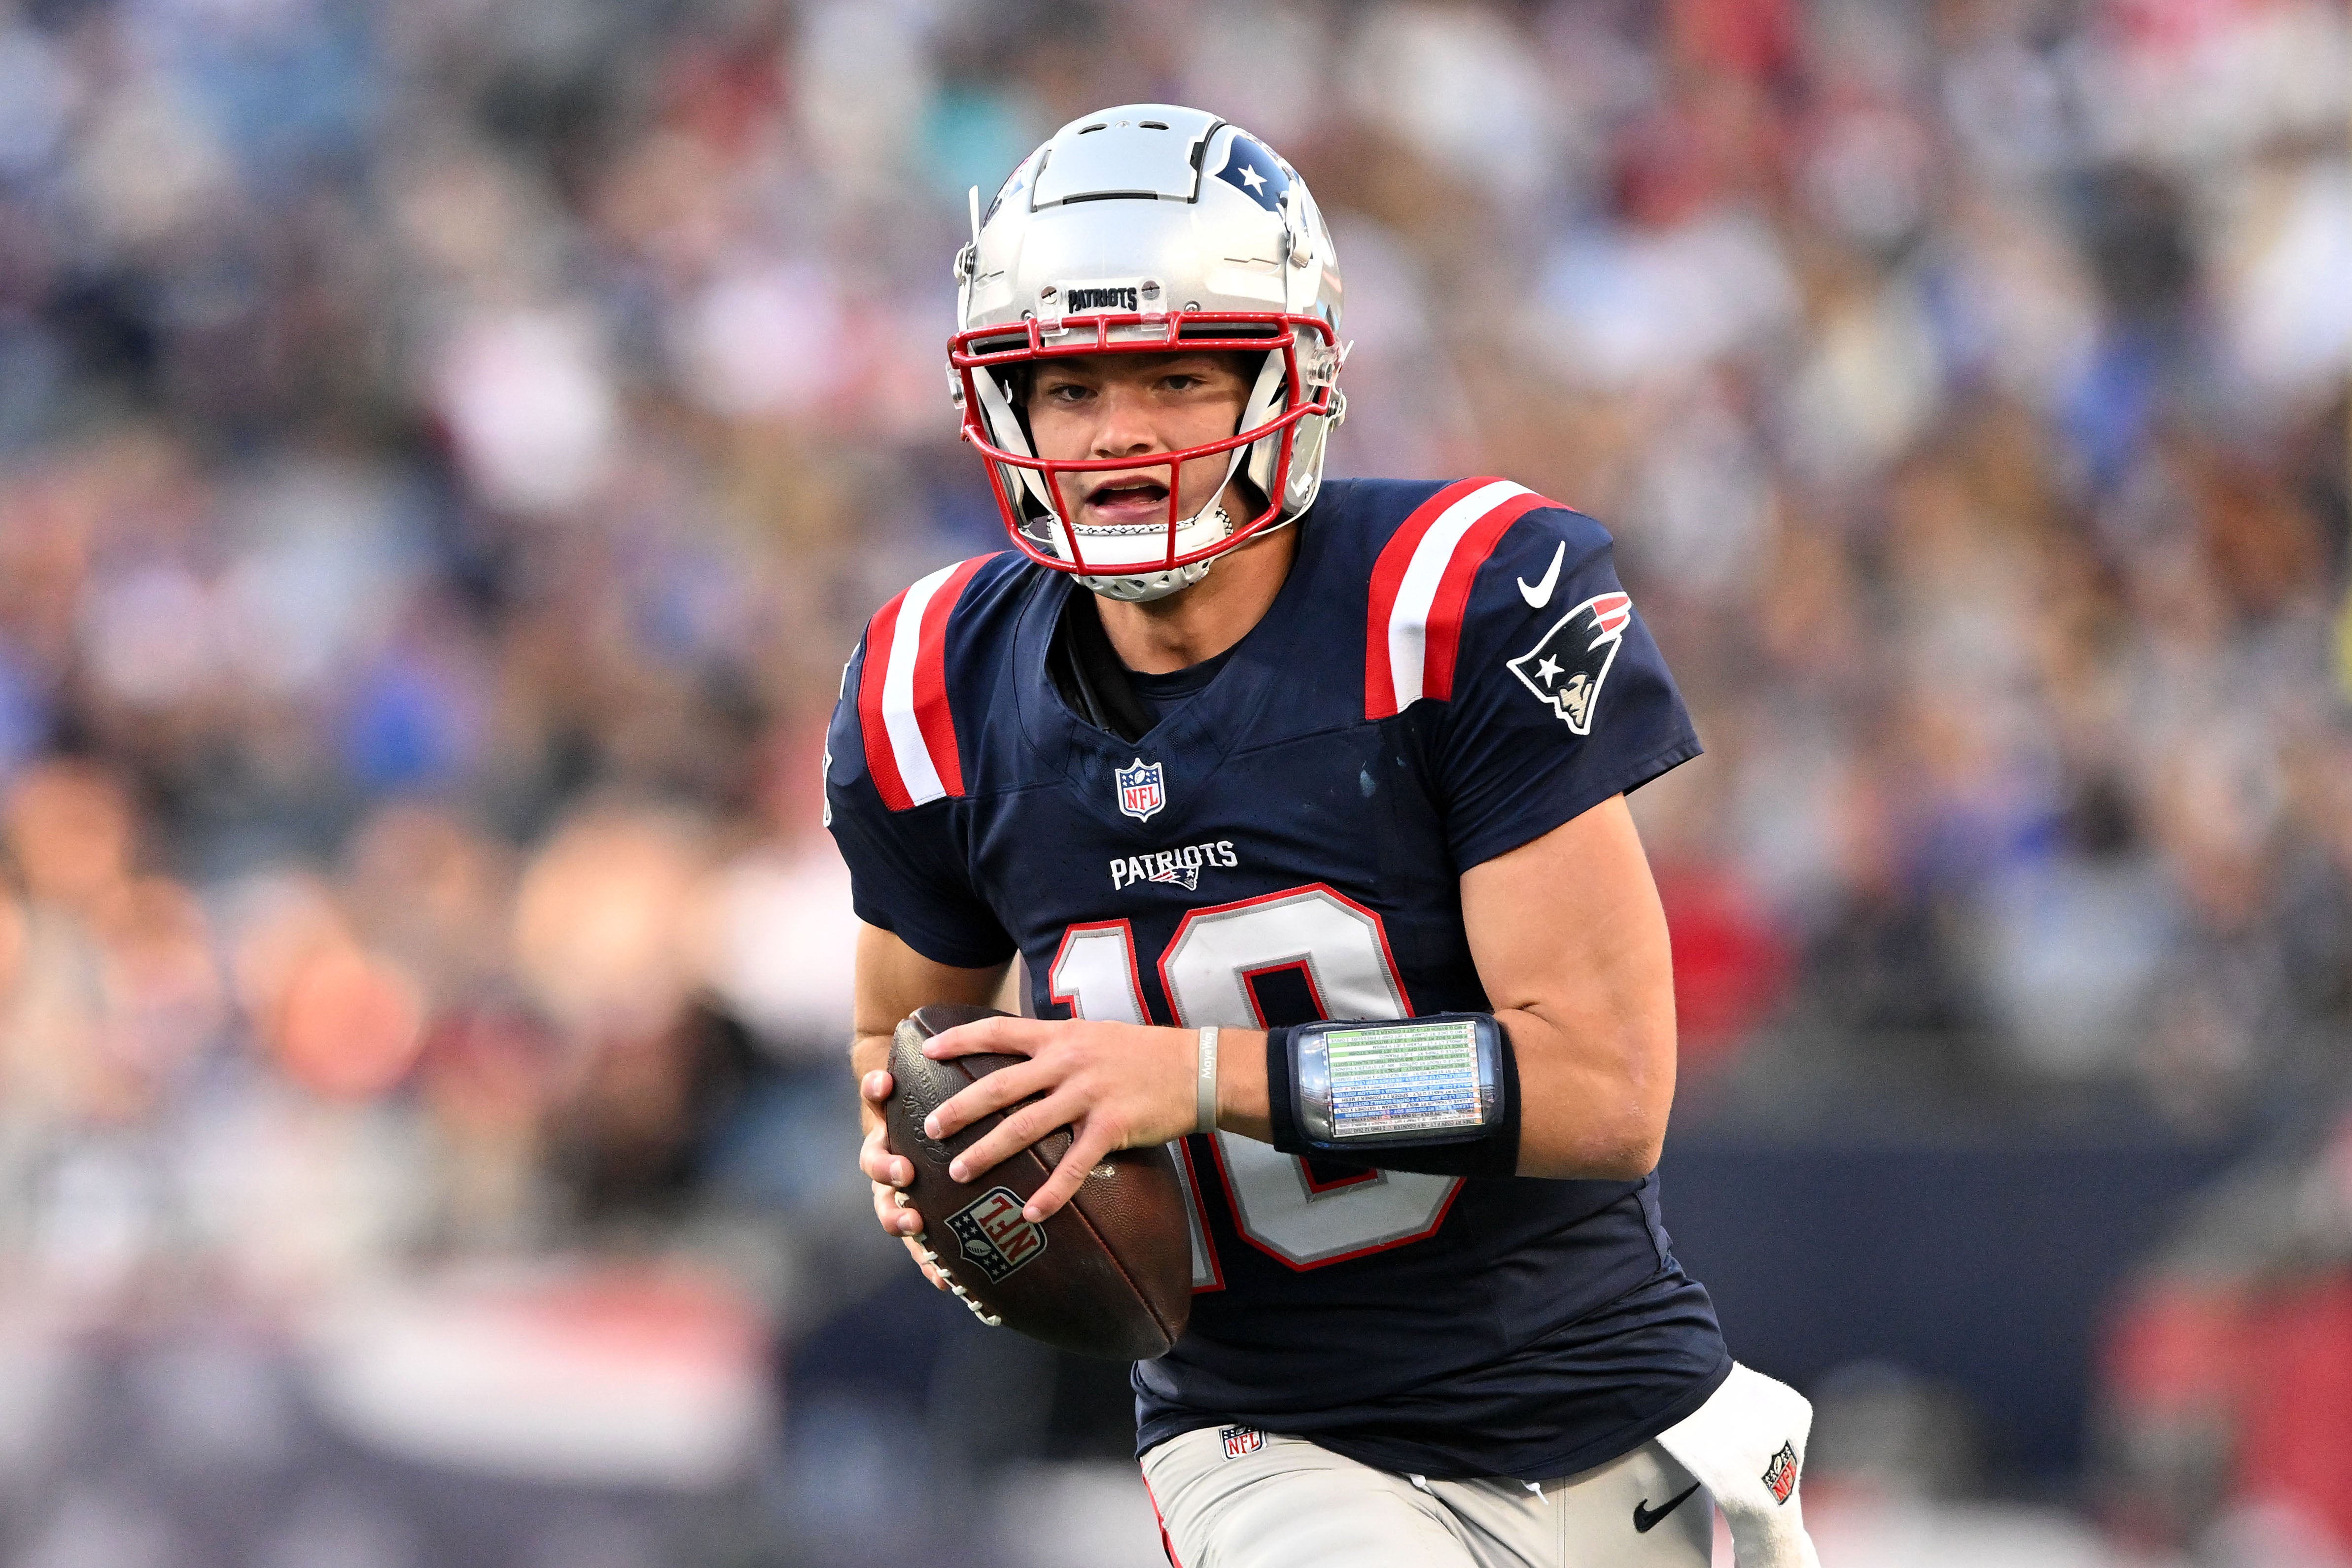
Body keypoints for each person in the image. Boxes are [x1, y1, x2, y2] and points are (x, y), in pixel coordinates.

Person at [829, 105, 1821, 1568]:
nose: (1118, 435)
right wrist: (963, 1191)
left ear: (1287, 374)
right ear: (1004, 409)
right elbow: (908, 1078)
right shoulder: (934, 688)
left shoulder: (1457, 599)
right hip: (1271, 1440)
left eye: (1175, 376)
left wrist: (1201, 1078)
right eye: (1070, 385)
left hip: (1609, 1409)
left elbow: (1607, 1087)